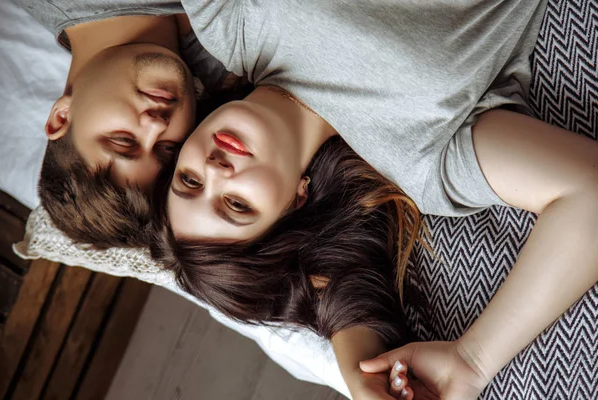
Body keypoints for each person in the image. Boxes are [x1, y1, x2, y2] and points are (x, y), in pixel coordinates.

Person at [150, 1, 598, 399]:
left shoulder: (226, 23)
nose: (214, 170)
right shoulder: (421, 158)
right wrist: (473, 361)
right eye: (236, 205)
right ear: (294, 203)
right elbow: (587, 190)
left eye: (189, 180)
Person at [21, 1, 246, 248]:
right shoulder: (235, 82)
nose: (156, 126)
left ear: (61, 117)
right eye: (168, 148)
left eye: (123, 140)